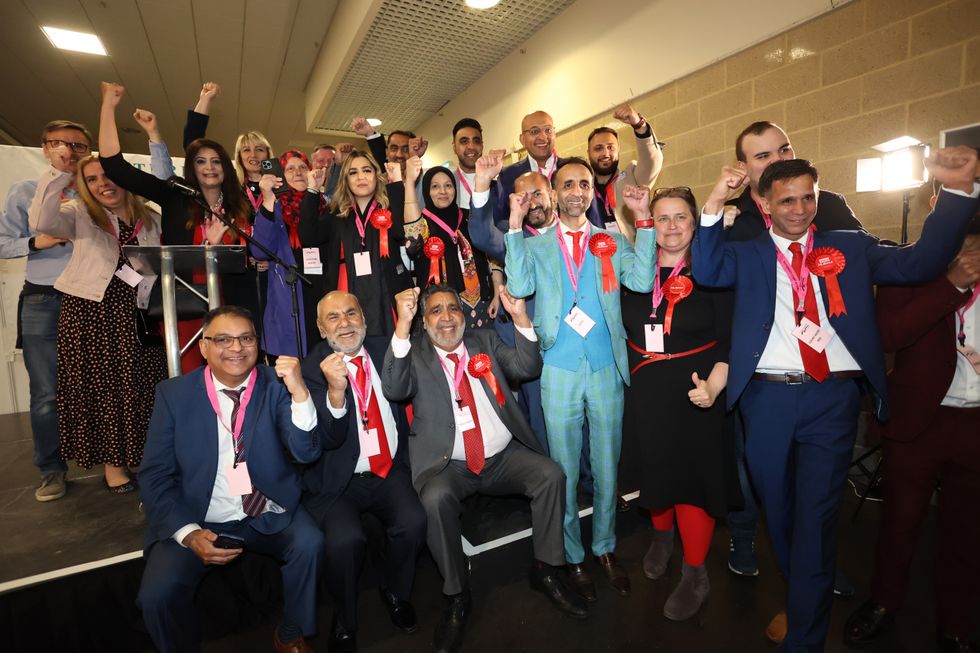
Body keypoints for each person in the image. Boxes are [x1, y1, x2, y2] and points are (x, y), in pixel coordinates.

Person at [691, 151, 979, 652]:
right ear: (765, 201)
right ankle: (806, 587)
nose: (800, 209)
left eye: (809, 197)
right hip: (766, 399)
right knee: (778, 514)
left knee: (819, 516)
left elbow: (921, 263)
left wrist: (956, 193)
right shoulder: (749, 253)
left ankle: (805, 636)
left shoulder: (852, 246)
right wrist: (715, 199)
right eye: (787, 200)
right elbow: (708, 269)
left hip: (833, 399)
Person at [382, 284, 585, 653]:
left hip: (502, 457)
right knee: (435, 499)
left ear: (463, 315)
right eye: (436, 311)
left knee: (550, 474)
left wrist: (521, 317)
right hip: (451, 465)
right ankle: (457, 595)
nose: (446, 317)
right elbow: (394, 389)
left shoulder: (486, 341)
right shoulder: (414, 353)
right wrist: (401, 326)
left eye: (452, 309)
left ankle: (546, 569)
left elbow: (527, 366)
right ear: (424, 322)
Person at [504, 157, 658, 602]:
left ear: (593, 191)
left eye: (584, 184)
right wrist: (515, 227)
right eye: (567, 184)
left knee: (607, 464)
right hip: (559, 366)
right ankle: (572, 554)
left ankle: (605, 548)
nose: (576, 191)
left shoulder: (611, 238)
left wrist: (642, 219)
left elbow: (643, 278)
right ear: (553, 193)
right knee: (565, 469)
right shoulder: (533, 246)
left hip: (606, 363)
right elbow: (517, 285)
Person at [723, 120, 865, 580]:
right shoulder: (736, 224)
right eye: (763, 156)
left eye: (783, 149)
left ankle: (816, 570)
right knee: (764, 481)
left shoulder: (830, 208)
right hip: (763, 376)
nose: (778, 160)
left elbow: (866, 265)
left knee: (820, 492)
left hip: (827, 380)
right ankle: (751, 543)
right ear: (744, 169)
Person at [138, 306, 323, 653]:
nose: (236, 348)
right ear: (203, 347)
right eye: (222, 339)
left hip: (266, 509)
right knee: (156, 596)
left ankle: (290, 633)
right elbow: (155, 475)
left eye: (246, 338)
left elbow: (306, 453)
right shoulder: (173, 395)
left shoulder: (276, 385)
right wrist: (188, 534)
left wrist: (299, 392)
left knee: (309, 543)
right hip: (199, 517)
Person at [844, 213, 980, 652]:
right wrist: (952, 284)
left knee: (966, 533)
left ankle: (956, 624)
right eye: (962, 249)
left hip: (975, 425)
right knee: (900, 524)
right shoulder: (906, 269)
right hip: (919, 420)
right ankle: (884, 603)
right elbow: (889, 335)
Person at [618, 186, 738, 620]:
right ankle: (663, 537)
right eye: (662, 218)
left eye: (680, 217)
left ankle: (695, 573)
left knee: (692, 481)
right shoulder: (634, 273)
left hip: (696, 391)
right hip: (645, 391)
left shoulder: (714, 272)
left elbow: (731, 339)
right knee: (655, 471)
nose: (671, 227)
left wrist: (715, 386)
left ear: (695, 222)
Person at [28, 152, 167, 492]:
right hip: (92, 312)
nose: (102, 184)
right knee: (102, 388)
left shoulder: (150, 217)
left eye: (108, 175)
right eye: (91, 179)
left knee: (142, 384)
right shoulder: (78, 214)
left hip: (140, 312)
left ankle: (142, 454)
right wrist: (60, 175)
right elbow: (43, 222)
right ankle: (113, 465)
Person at [300, 291, 426, 653]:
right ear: (321, 328)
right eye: (334, 318)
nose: (345, 323)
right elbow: (324, 439)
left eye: (351, 313)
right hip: (339, 481)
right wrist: (336, 394)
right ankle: (345, 618)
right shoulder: (312, 370)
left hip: (388, 469)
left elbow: (407, 385)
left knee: (414, 522)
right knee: (345, 542)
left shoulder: (388, 345)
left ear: (365, 319)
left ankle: (395, 590)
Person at [99, 82, 251, 371]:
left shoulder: (239, 206)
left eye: (217, 161)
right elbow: (114, 165)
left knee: (234, 373)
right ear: (191, 167)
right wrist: (108, 106)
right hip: (185, 304)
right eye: (201, 161)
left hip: (234, 306)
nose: (209, 167)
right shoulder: (174, 196)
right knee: (192, 377)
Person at [0, 120, 88, 500]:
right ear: (45, 148)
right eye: (60, 143)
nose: (69, 151)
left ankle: (109, 458)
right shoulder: (24, 191)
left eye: (78, 146)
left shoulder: (95, 189)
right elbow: (3, 245)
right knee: (46, 392)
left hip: (91, 296)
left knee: (99, 382)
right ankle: (51, 469)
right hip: (43, 297)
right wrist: (39, 241)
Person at [297, 149, 413, 338]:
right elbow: (308, 237)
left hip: (384, 292)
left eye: (367, 170)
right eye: (353, 172)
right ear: (346, 180)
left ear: (376, 175)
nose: (361, 177)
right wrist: (312, 190)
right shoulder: (337, 214)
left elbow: (401, 232)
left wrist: (397, 183)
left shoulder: (388, 208)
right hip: (346, 288)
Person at [403, 156, 501, 328]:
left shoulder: (470, 217)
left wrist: (498, 293)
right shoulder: (423, 223)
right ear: (426, 191)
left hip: (483, 306)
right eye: (435, 186)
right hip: (443, 313)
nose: (443, 191)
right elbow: (413, 242)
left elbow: (492, 256)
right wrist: (410, 182)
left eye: (448, 185)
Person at [252, 149, 325, 357]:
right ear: (280, 176)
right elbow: (259, 250)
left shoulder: (325, 205)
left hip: (322, 290)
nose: (298, 173)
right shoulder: (274, 206)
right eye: (290, 169)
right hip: (289, 295)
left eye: (303, 167)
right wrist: (267, 197)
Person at [586, 103, 663, 241]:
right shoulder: (582, 188)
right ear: (588, 153)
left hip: (631, 257)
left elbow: (652, 161)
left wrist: (639, 125)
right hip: (594, 259)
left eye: (611, 147)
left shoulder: (632, 177)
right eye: (598, 148)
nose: (606, 153)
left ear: (618, 150)